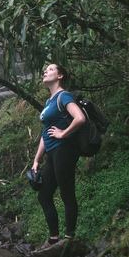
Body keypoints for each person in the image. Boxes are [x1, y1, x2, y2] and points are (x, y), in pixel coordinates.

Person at [31, 62, 87, 246]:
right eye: (45, 69)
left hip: (64, 150)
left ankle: (69, 238)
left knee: (66, 193)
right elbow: (45, 132)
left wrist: (63, 133)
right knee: (44, 195)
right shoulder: (49, 102)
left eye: (51, 69)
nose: (45, 71)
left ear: (60, 76)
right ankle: (54, 237)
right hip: (52, 152)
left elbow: (80, 118)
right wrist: (37, 159)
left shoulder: (63, 96)